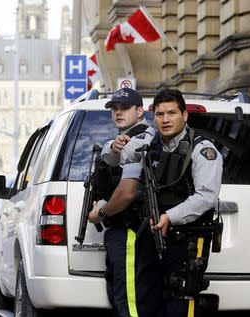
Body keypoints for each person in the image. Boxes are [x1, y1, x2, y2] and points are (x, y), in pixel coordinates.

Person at [98, 88, 223, 317]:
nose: (165, 120)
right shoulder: (149, 140)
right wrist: (114, 147)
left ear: (184, 115)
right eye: (159, 114)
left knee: (179, 301)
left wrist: (170, 216)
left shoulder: (202, 150)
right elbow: (114, 157)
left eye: (172, 113)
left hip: (186, 238)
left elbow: (206, 196)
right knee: (146, 298)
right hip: (152, 233)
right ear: (152, 116)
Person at [88, 87, 149, 317]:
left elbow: (127, 193)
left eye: (125, 108)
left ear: (140, 111)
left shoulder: (143, 140)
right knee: (119, 296)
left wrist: (99, 214)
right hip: (121, 232)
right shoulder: (117, 143)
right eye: (115, 109)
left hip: (132, 230)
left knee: (129, 304)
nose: (118, 112)